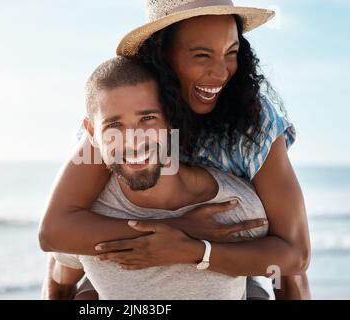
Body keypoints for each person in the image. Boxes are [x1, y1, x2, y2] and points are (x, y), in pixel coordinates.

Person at [40, 0, 311, 300]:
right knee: (71, 276)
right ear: (162, 54)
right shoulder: (127, 107)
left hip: (229, 255)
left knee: (287, 280)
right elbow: (57, 229)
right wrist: (178, 228)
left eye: (231, 53)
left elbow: (296, 253)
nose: (221, 72)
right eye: (201, 55)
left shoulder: (253, 121)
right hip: (124, 260)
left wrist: (195, 250)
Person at [48, 56, 275, 299]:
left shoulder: (233, 209)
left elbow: (289, 270)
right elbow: (59, 282)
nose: (134, 140)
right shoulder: (87, 217)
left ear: (170, 121)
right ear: (92, 133)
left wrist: (198, 251)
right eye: (114, 125)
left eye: (147, 118)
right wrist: (180, 228)